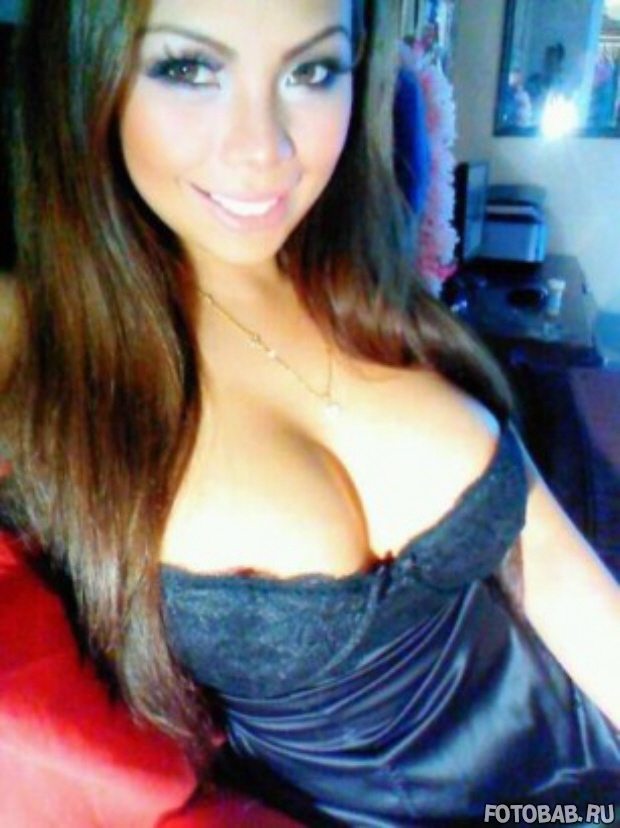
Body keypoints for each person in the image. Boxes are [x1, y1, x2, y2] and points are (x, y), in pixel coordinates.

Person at [0, 0, 618, 825]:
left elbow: (548, 558)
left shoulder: (360, 276)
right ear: (87, 71)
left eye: (311, 70)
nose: (265, 150)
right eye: (189, 68)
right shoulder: (29, 331)